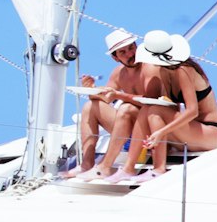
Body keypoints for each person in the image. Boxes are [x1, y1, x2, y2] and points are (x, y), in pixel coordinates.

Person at [133, 30, 217, 175]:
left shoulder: (184, 70)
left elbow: (192, 110)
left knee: (155, 111)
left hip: (209, 133)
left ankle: (158, 168)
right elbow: (171, 107)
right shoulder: (164, 71)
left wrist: (161, 132)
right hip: (191, 133)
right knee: (148, 109)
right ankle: (130, 166)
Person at [65, 28, 152, 177]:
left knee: (127, 108)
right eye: (122, 52)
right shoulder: (119, 73)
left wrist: (120, 95)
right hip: (128, 132)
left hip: (149, 130)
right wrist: (91, 89)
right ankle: (87, 163)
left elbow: (153, 102)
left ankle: (105, 165)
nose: (130, 54)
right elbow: (106, 97)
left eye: (131, 48)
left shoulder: (149, 67)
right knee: (89, 106)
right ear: (115, 57)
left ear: (137, 46)